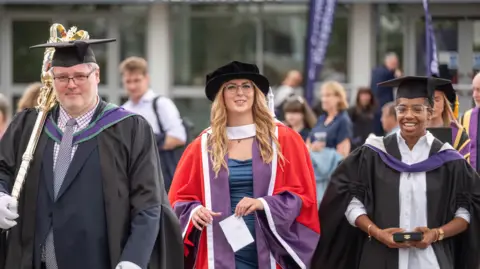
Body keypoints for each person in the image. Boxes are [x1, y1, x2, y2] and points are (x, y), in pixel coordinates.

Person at [0, 32, 183, 269]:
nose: (71, 84)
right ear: (52, 80)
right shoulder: (29, 125)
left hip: (101, 260)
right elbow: (2, 169)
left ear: (97, 76)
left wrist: (134, 259)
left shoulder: (129, 129)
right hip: (31, 259)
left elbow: (148, 202)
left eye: (80, 75)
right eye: (62, 77)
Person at [311, 76, 480, 269]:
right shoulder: (372, 154)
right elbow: (350, 203)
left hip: (430, 260)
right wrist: (377, 232)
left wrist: (436, 233)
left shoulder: (449, 160)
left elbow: (467, 211)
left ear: (430, 112)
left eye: (417, 109)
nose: (409, 115)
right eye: (402, 109)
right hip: (379, 258)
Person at [168, 61, 320, 269]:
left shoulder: (284, 139)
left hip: (271, 249)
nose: (240, 92)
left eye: (246, 86)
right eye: (231, 87)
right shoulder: (203, 145)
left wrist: (263, 204)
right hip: (218, 247)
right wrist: (194, 211)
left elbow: (304, 197)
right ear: (221, 95)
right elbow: (177, 200)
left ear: (256, 93)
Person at [121, 56, 187, 191]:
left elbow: (179, 137)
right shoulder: (123, 109)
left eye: (137, 80)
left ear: (147, 79)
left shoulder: (161, 104)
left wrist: (145, 141)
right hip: (135, 178)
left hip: (162, 177)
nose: (132, 86)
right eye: (128, 81)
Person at [307, 81, 352, 158]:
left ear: (339, 98)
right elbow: (308, 143)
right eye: (322, 96)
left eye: (328, 95)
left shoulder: (343, 120)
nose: (324, 99)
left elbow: (343, 155)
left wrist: (322, 151)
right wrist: (312, 148)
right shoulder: (321, 119)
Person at [428, 82, 471, 161]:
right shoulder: (414, 131)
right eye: (428, 100)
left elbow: (464, 169)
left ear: (444, 103)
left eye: (437, 100)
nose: (432, 105)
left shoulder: (457, 134)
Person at [371, 52, 402, 135]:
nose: (396, 66)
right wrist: (397, 75)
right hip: (382, 105)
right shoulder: (385, 72)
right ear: (389, 62)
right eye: (395, 63)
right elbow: (397, 80)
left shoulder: (378, 70)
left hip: (378, 105)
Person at [459, 72, 480, 172]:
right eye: (474, 90)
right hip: (472, 180)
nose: (475, 95)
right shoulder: (467, 118)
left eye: (479, 90)